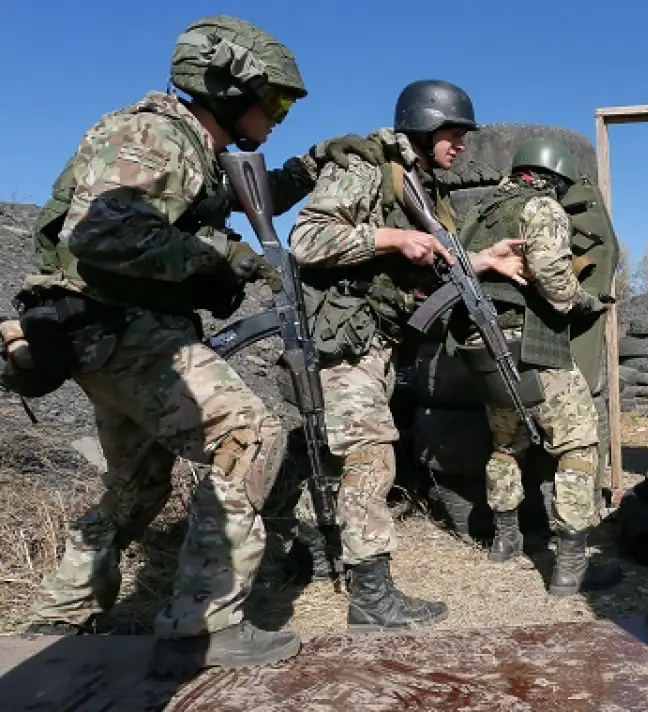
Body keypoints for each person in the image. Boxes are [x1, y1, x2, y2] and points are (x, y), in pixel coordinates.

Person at [6, 15, 382, 670]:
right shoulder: (156, 133)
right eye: (278, 101)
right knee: (250, 436)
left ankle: (55, 621)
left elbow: (239, 196)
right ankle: (202, 623)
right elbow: (103, 232)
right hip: (121, 330)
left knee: (137, 488)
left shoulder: (195, 151)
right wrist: (217, 258)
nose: (280, 115)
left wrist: (315, 163)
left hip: (111, 335)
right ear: (229, 89)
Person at [287, 79, 528, 630]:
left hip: (373, 342)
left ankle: (315, 555)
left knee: (343, 460)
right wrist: (390, 239)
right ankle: (371, 597)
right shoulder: (366, 168)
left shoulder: (419, 186)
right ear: (423, 124)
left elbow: (436, 258)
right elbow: (308, 239)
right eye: (454, 133)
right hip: (343, 342)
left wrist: (482, 259)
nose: (462, 146)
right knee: (372, 458)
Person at [449, 137, 621, 597]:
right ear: (554, 178)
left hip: (481, 345)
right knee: (579, 445)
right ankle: (570, 567)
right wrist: (585, 302)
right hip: (532, 344)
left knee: (507, 443)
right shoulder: (542, 207)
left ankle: (505, 542)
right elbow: (553, 279)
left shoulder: (479, 215)